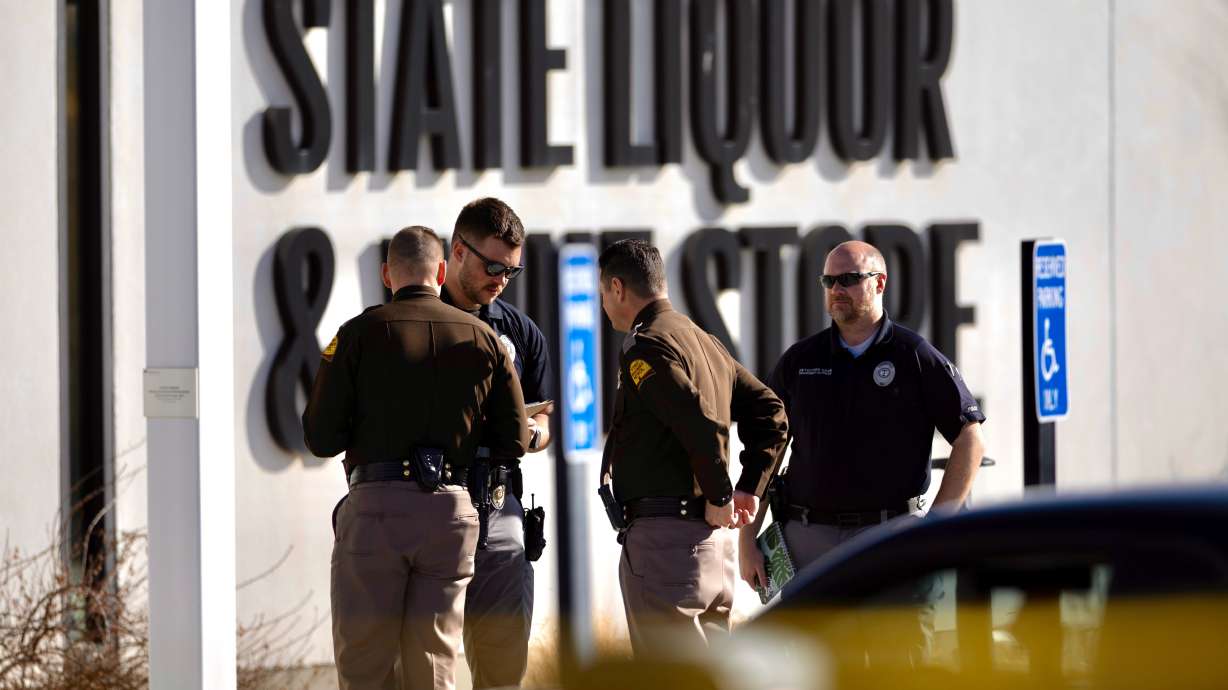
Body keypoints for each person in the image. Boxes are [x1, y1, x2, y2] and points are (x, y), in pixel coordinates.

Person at [303, 226, 529, 690]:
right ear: (442, 270)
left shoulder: (357, 334)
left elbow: (320, 437)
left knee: (365, 662)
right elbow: (514, 442)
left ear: (387, 274)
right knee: (434, 663)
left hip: (375, 511)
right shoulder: (484, 338)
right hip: (451, 512)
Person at [742, 240, 986, 587]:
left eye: (849, 279)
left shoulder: (914, 355)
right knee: (810, 644)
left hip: (891, 537)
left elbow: (971, 439)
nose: (837, 289)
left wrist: (935, 525)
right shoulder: (800, 361)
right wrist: (747, 541)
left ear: (879, 283)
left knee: (898, 642)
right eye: (829, 282)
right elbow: (769, 448)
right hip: (809, 540)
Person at [597, 239, 789, 655]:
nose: (604, 305)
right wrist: (748, 490)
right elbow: (772, 413)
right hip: (711, 550)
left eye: (602, 294)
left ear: (617, 288)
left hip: (670, 549)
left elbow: (697, 421)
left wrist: (724, 494)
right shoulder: (705, 341)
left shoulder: (646, 346)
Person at [439, 197, 553, 689]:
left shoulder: (520, 331)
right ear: (457, 252)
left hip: (500, 501)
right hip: (431, 497)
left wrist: (530, 433)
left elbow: (546, 421)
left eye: (512, 270)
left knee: (503, 663)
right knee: (423, 656)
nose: (500, 280)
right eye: (492, 266)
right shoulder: (414, 318)